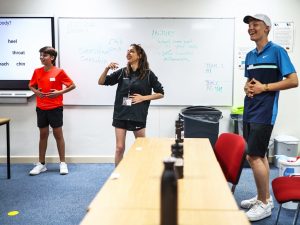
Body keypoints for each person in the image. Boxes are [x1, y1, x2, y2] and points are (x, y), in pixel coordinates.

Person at [241, 14, 298, 221]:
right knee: (260, 155)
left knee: (253, 157)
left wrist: (265, 87)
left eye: (255, 24)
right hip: (249, 109)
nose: (251, 28)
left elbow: (293, 80)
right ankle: (263, 196)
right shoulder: (249, 55)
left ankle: (264, 204)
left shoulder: (277, 52)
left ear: (267, 28)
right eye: (249, 25)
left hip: (265, 113)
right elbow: (249, 81)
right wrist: (247, 87)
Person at [98, 44, 164, 166]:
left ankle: (143, 172)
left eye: (132, 51)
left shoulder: (148, 74)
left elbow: (160, 93)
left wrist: (143, 98)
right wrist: (107, 68)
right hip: (120, 114)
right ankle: (117, 175)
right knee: (119, 147)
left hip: (137, 115)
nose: (128, 53)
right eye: (127, 51)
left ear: (139, 55)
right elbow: (101, 82)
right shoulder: (122, 72)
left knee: (142, 147)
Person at [28, 46, 76, 175]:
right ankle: (42, 164)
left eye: (44, 55)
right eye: (41, 55)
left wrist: (60, 92)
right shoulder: (37, 71)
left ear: (52, 58)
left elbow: (72, 85)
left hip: (55, 108)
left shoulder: (59, 72)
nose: (41, 57)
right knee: (43, 135)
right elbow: (31, 85)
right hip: (41, 108)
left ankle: (63, 163)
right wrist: (36, 92)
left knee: (58, 135)